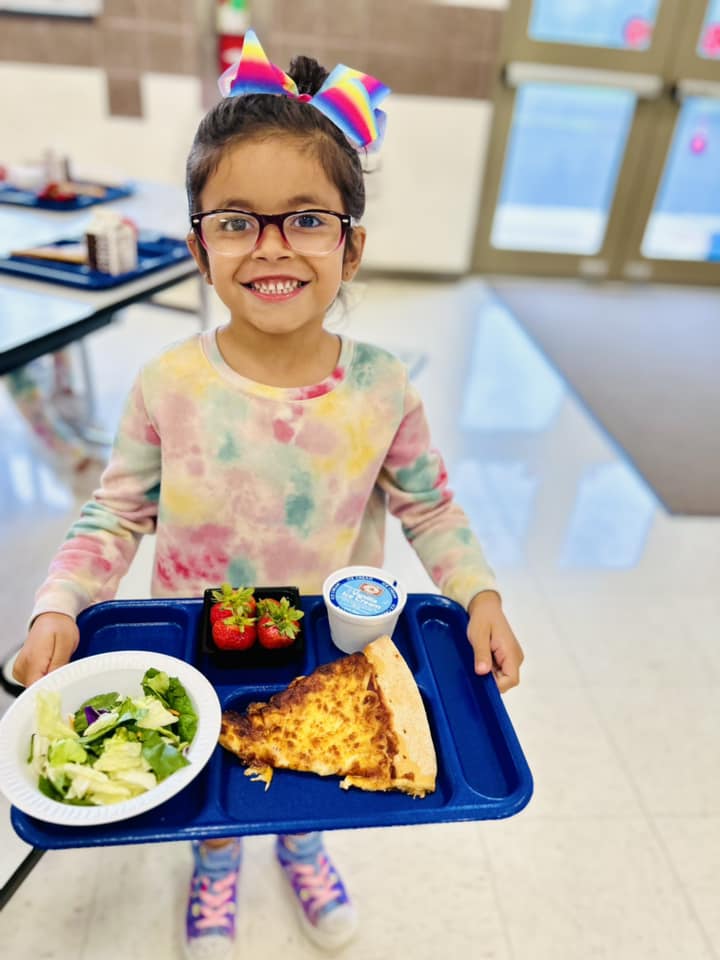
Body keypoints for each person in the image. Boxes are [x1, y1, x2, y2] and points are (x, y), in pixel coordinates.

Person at [13, 30, 524, 960]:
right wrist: (60, 605)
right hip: (197, 624)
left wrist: (479, 593)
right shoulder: (168, 382)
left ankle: (303, 844)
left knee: (312, 761)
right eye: (237, 219)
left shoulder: (382, 386)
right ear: (200, 247)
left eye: (307, 218)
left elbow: (431, 507)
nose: (272, 246)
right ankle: (214, 864)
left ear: (352, 245)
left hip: (332, 631)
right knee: (210, 771)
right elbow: (114, 510)